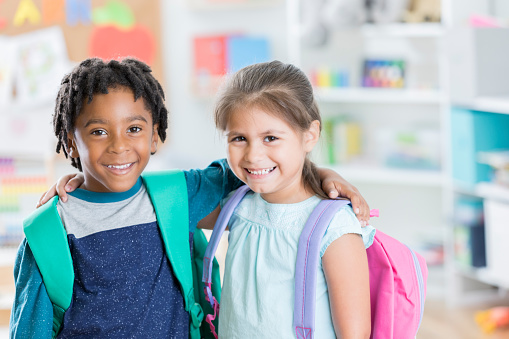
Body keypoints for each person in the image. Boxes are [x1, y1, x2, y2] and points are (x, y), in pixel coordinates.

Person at [12, 57, 370, 338]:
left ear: (155, 137)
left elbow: (260, 173)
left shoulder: (175, 196)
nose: (119, 145)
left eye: (134, 129)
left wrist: (323, 174)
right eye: (99, 132)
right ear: (71, 141)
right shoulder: (50, 231)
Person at [201, 60, 376, 338]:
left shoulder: (335, 229)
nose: (253, 155)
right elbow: (168, 203)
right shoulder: (237, 205)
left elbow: (354, 335)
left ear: (310, 136)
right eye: (239, 138)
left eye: (270, 137)